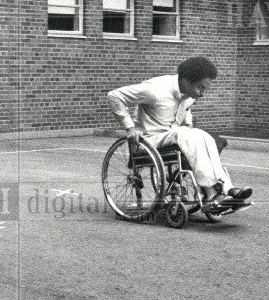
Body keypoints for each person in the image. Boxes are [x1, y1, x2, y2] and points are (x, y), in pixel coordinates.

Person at [107, 57, 252, 205]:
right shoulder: (155, 90)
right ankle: (213, 190)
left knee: (204, 136)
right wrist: (130, 127)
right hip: (149, 140)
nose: (202, 93)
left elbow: (186, 108)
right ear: (187, 81)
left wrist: (188, 124)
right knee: (185, 133)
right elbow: (114, 96)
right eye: (200, 88)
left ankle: (226, 189)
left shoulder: (189, 94)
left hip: (172, 138)